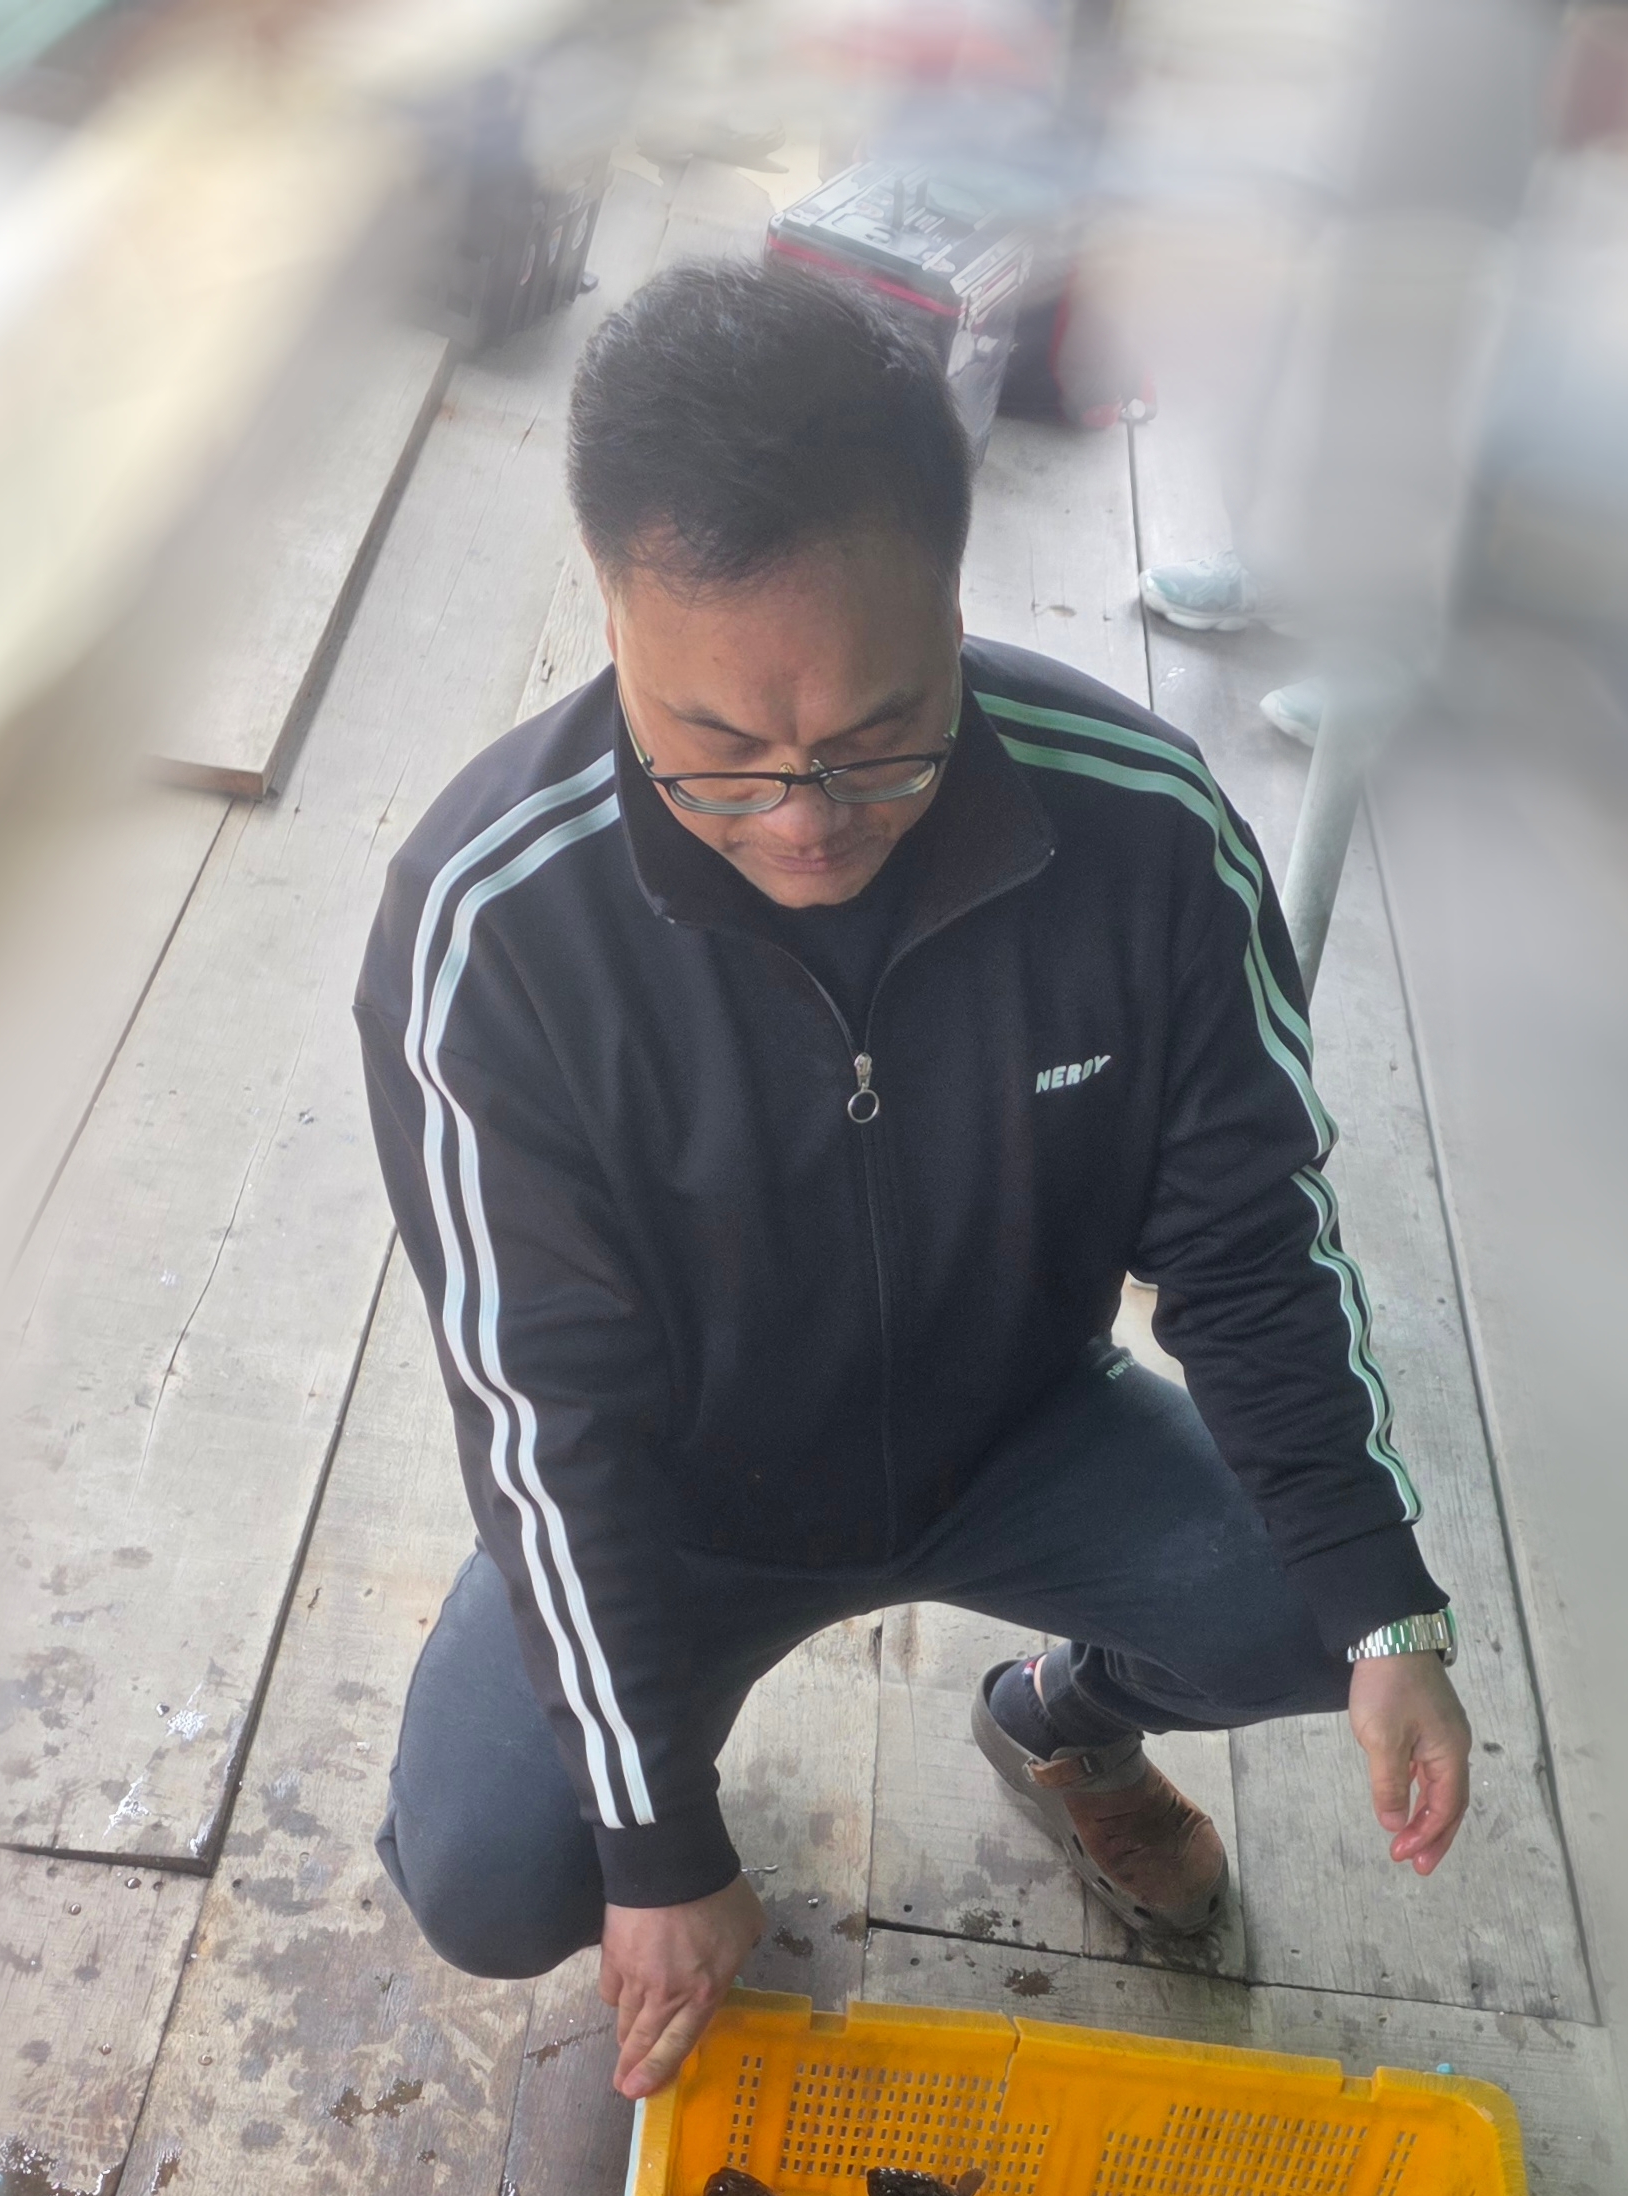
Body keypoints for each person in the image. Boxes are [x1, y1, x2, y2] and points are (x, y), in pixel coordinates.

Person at [357, 261, 1467, 2097]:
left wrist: (1387, 1612)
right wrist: (660, 1848)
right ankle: (653, 1774)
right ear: (612, 614)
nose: (805, 819)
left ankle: (1061, 1724)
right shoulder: (488, 927)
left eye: (878, 740)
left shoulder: (1148, 836)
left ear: (956, 601)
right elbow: (542, 1418)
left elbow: (1255, 1253)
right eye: (720, 753)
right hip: (681, 1497)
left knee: (1326, 1605)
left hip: (1016, 1430)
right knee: (493, 1871)